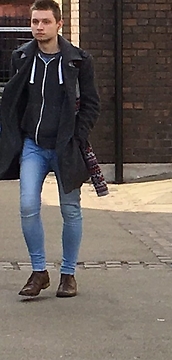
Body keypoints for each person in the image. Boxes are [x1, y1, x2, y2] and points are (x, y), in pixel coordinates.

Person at [0, 0, 100, 298]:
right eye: (34, 22)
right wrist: (14, 137)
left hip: (66, 146)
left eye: (45, 22)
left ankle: (68, 275)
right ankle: (39, 271)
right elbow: (13, 100)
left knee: (71, 209)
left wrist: (78, 136)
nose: (39, 27)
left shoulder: (78, 60)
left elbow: (92, 104)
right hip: (33, 144)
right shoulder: (21, 57)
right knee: (28, 206)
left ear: (59, 24)